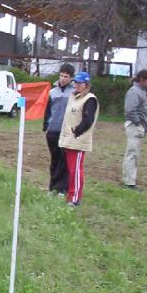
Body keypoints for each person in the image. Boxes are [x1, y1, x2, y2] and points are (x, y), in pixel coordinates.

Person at [58, 71, 99, 207]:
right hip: (70, 139)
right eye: (75, 82)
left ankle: (75, 198)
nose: (75, 85)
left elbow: (88, 120)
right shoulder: (74, 97)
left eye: (78, 83)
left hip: (78, 140)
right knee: (71, 169)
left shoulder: (90, 99)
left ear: (86, 85)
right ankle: (70, 194)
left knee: (76, 170)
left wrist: (76, 132)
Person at [42, 63, 75, 195]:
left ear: (71, 78)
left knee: (64, 160)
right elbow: (48, 110)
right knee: (54, 159)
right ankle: (53, 186)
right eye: (61, 75)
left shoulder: (74, 92)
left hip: (66, 131)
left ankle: (62, 187)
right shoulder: (52, 92)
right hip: (53, 130)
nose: (63, 78)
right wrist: (46, 126)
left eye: (66, 76)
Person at [122, 69, 147, 190]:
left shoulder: (142, 91)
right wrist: (139, 123)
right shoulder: (134, 91)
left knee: (133, 153)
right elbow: (130, 110)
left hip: (138, 125)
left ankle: (128, 180)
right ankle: (129, 182)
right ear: (142, 80)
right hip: (134, 126)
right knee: (132, 154)